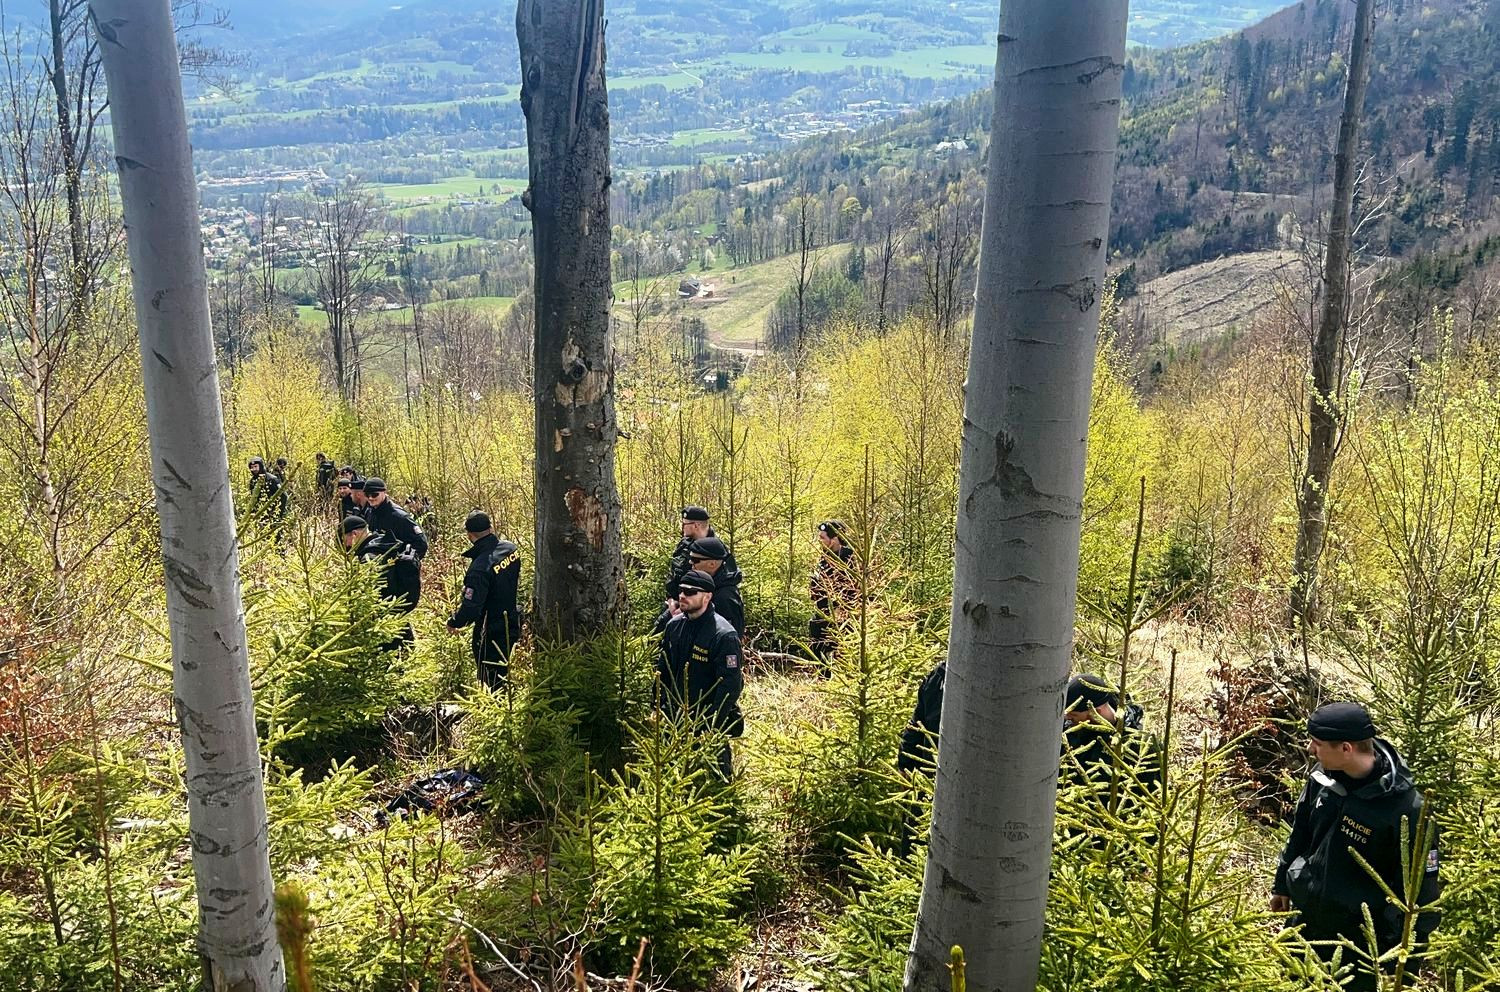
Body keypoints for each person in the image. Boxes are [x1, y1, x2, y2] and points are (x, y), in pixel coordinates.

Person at [1272, 703, 1440, 990]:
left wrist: (1403, 968)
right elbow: (1300, 832)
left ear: (1346, 748)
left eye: (1317, 743)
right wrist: (1282, 885)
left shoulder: (1407, 811)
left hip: (1359, 949)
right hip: (1305, 924)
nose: (1311, 750)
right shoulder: (1322, 778)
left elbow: (1420, 895)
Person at [656, 569, 744, 780]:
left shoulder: (723, 635)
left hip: (708, 721)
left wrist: (711, 725)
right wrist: (657, 705)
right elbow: (663, 669)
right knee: (672, 777)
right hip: (675, 718)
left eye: (690, 592)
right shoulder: (674, 626)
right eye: (681, 591)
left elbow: (730, 686)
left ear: (707, 596)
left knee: (716, 778)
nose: (683, 596)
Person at [446, 511, 521, 690]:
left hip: (491, 629)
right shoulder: (511, 549)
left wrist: (455, 622)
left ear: (470, 535)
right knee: (506, 667)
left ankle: (495, 708)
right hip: (513, 617)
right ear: (491, 528)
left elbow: (472, 607)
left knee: (491, 676)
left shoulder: (479, 569)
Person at [1060, 673, 1160, 794]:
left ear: (1095, 712)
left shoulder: (1141, 747)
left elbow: (1152, 792)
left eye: (1073, 714)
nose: (1067, 718)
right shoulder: (1070, 730)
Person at [340, 515, 420, 649]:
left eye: (344, 540)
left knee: (393, 660)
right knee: (406, 653)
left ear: (354, 534)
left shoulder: (369, 558)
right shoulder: (384, 543)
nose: (345, 547)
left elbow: (373, 594)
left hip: (383, 622)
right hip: (399, 616)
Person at [665, 505, 740, 599]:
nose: (682, 527)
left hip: (700, 605)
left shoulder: (717, 549)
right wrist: (671, 600)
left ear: (696, 525)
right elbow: (673, 573)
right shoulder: (684, 544)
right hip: (677, 600)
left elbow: (728, 579)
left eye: (685, 524)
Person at [809, 519, 857, 662]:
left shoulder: (850, 560)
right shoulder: (825, 558)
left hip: (842, 617)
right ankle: (821, 680)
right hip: (822, 613)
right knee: (817, 649)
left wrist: (841, 611)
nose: (820, 541)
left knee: (843, 655)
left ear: (835, 539)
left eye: (823, 538)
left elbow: (854, 591)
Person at [687, 536, 745, 636]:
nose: (690, 562)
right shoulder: (708, 584)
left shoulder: (725, 597)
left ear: (712, 564)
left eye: (695, 560)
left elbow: (729, 637)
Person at [897, 660, 946, 775]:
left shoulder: (937, 675)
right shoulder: (937, 676)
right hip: (931, 772)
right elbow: (917, 724)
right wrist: (905, 765)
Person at [362, 477, 429, 559]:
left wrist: (403, 561)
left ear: (384, 492)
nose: (370, 498)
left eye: (374, 494)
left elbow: (421, 544)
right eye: (367, 495)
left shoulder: (399, 516)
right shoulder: (370, 512)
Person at [247, 456, 287, 520]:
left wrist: (278, 514)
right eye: (252, 467)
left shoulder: (272, 479)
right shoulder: (253, 481)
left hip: (274, 514)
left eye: (256, 467)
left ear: (261, 466)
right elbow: (253, 499)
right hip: (260, 515)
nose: (254, 469)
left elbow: (284, 496)